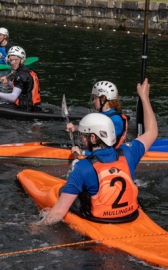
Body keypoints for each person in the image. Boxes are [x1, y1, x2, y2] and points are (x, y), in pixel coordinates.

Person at [41, 79, 157, 225]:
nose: (81, 139)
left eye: (83, 136)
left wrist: (35, 228)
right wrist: (144, 97)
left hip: (99, 220)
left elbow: (57, 214)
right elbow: (152, 132)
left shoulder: (82, 168)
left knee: (64, 190)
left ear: (93, 138)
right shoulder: (129, 153)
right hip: (128, 217)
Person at [65, 81, 128, 149]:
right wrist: (76, 128)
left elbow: (105, 142)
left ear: (103, 99)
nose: (93, 101)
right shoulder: (102, 114)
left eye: (95, 98)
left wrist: (83, 152)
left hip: (107, 156)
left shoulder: (116, 120)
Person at [0, 46, 41, 111]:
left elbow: (13, 97)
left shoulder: (20, 75)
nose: (12, 62)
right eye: (11, 60)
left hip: (24, 108)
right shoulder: (28, 71)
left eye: (16, 59)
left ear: (22, 59)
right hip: (33, 106)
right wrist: (8, 82)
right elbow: (24, 87)